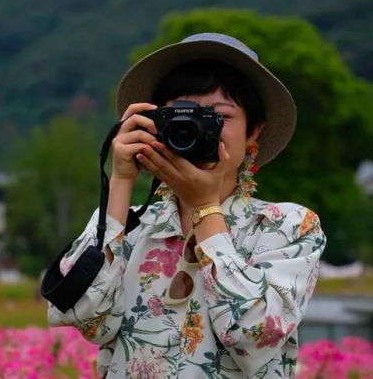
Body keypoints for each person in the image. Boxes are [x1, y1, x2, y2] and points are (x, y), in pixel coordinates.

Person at [46, 33, 326, 378]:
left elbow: (253, 337)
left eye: (218, 117)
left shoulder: (289, 226)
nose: (196, 127)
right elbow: (86, 319)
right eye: (181, 116)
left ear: (254, 131)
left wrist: (205, 207)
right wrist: (120, 182)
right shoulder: (130, 225)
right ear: (154, 125)